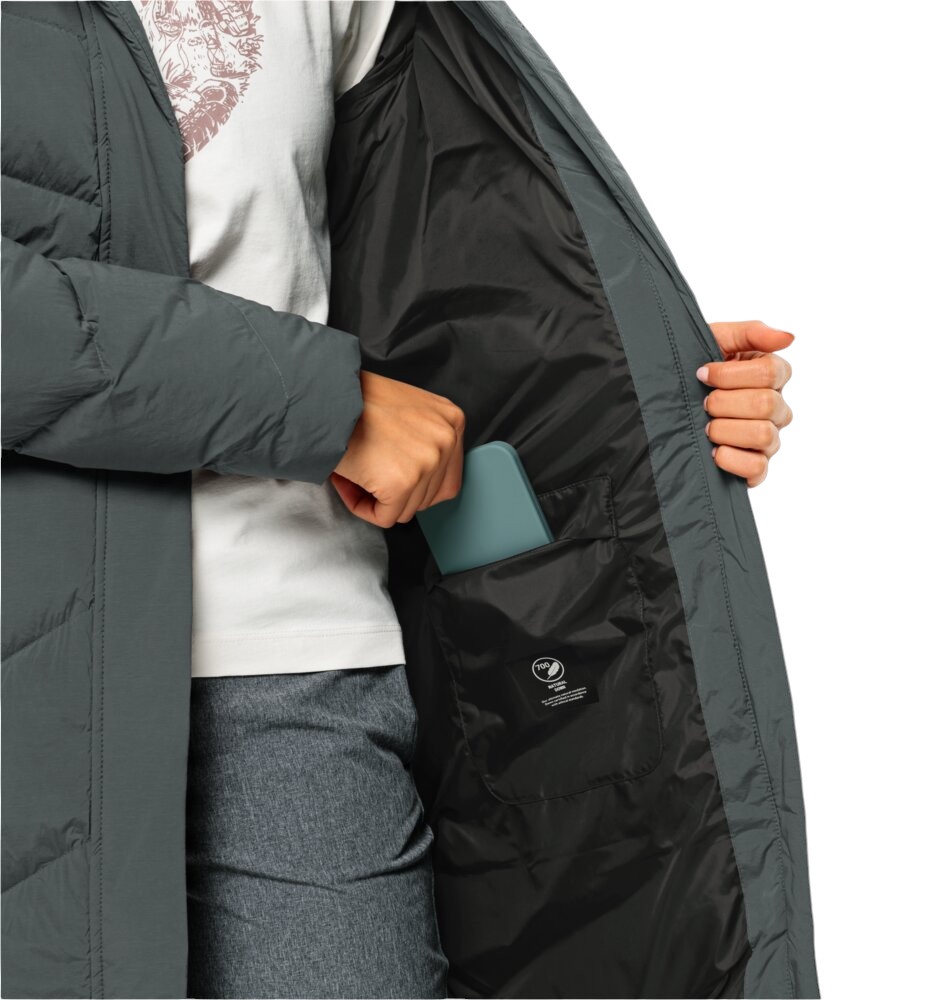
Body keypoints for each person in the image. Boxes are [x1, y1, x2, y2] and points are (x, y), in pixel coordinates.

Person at [1, 1, 794, 997]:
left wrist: (633, 392)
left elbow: (419, 280)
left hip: (300, 661)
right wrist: (321, 407)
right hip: (35, 677)